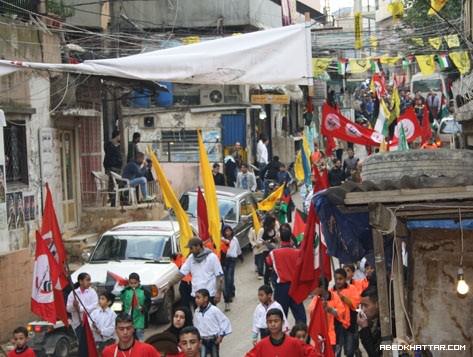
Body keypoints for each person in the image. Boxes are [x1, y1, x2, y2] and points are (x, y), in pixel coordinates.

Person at [266, 228, 306, 324]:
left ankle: (282, 336)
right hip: (295, 286)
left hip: (281, 288)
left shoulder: (274, 253)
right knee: (300, 315)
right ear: (291, 238)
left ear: (280, 238)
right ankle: (301, 335)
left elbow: (268, 262)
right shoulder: (298, 253)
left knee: (280, 315)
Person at [168, 238, 224, 305]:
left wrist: (218, 292)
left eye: (191, 248)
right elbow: (181, 274)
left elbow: (219, 276)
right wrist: (169, 284)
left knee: (209, 314)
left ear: (198, 246)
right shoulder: (191, 258)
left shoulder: (212, 257)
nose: (190, 250)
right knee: (198, 314)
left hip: (209, 294)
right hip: (196, 294)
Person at [245, 309, 310, 357]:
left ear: (283, 322)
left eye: (276, 321)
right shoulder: (261, 345)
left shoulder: (295, 343)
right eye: (270, 322)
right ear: (266, 324)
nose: (273, 324)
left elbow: (312, 353)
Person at [308, 277, 349, 353]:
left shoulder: (335, 297)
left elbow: (341, 313)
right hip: (322, 336)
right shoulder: (316, 299)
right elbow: (311, 311)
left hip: (335, 336)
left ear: (322, 287)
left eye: (314, 287)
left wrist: (330, 309)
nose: (312, 289)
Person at [66, 272, 98, 357]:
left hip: (90, 323)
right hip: (78, 324)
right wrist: (73, 306)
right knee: (82, 346)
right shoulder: (73, 293)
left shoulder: (92, 292)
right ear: (80, 281)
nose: (89, 282)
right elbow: (68, 309)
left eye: (89, 280)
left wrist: (80, 308)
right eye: (87, 280)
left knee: (91, 344)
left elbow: (94, 306)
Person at [193, 289, 232, 357]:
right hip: (202, 340)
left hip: (213, 340)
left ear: (205, 298)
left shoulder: (214, 310)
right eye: (195, 298)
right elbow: (196, 326)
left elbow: (224, 322)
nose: (196, 300)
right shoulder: (196, 312)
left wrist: (221, 336)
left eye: (198, 297)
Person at [331, 268, 361, 357]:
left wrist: (343, 298)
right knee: (337, 350)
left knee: (350, 350)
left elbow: (355, 304)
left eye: (340, 279)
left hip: (350, 325)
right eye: (336, 279)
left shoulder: (352, 289)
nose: (338, 281)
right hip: (337, 325)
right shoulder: (331, 291)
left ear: (345, 279)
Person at [120, 272, 151, 341]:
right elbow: (122, 298)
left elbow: (148, 302)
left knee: (139, 334)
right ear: (129, 282)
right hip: (128, 316)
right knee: (129, 335)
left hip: (140, 317)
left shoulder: (144, 291)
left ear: (139, 282)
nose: (133, 285)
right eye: (131, 283)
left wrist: (144, 308)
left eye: (135, 283)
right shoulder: (126, 291)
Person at [221, 225, 242, 311]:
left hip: (232, 261)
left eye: (229, 231)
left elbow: (238, 249)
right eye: (226, 231)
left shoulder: (235, 239)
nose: (228, 232)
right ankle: (227, 298)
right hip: (224, 261)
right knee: (225, 280)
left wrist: (240, 256)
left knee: (230, 278)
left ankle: (231, 291)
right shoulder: (221, 240)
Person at [356, 287, 381, 357]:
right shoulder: (375, 321)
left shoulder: (389, 324)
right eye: (361, 306)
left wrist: (365, 329)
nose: (363, 310)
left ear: (377, 304)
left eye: (366, 305)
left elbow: (374, 354)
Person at [256, 215, 280, 285]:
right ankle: (266, 284)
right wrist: (264, 242)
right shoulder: (262, 230)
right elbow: (258, 241)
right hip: (266, 251)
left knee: (274, 268)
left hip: (274, 250)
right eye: (273, 222)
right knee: (268, 268)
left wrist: (276, 239)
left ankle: (273, 282)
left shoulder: (274, 230)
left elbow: (278, 239)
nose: (274, 224)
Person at [103, 129, 123, 206]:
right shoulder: (110, 146)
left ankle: (115, 201)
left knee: (116, 185)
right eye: (120, 136)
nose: (121, 138)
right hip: (112, 169)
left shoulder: (116, 146)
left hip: (116, 169)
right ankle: (113, 202)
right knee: (112, 185)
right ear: (117, 136)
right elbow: (109, 159)